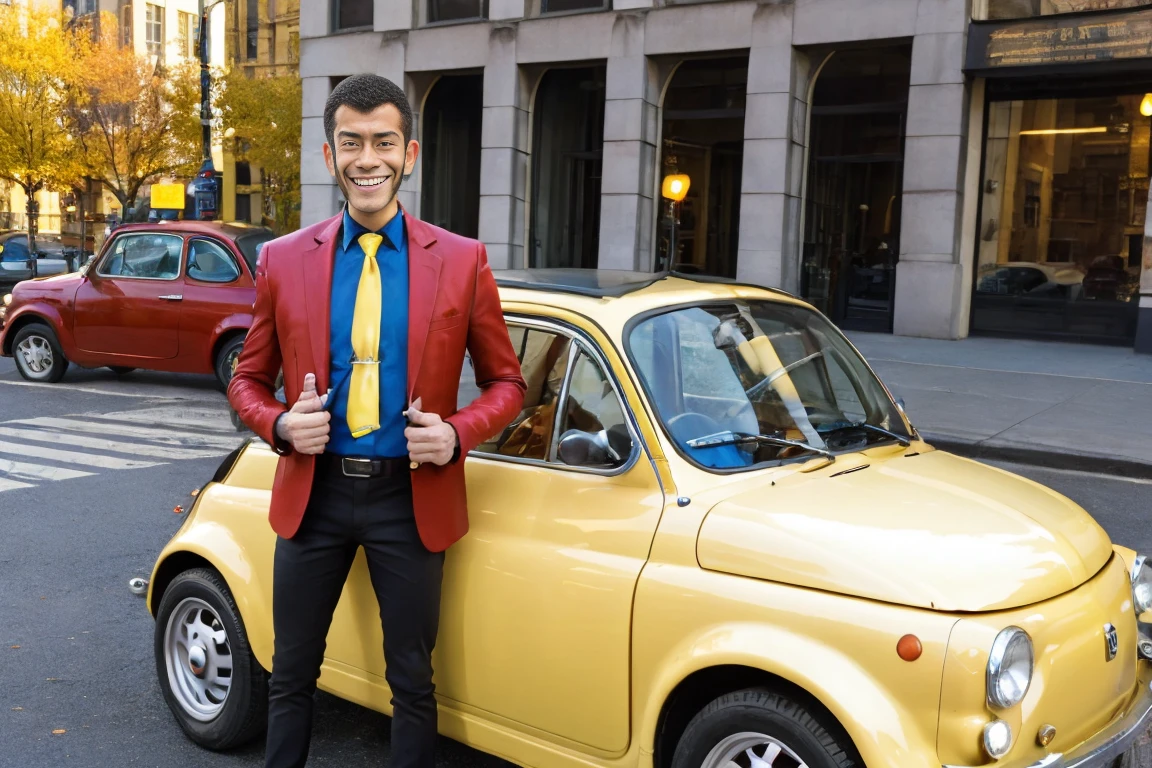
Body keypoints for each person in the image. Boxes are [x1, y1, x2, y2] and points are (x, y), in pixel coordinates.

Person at [227, 73, 527, 768]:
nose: (369, 158)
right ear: (330, 157)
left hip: (411, 498)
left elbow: (507, 383)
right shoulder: (281, 260)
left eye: (384, 142)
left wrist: (457, 433)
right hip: (314, 495)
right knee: (291, 675)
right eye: (352, 142)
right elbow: (246, 380)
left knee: (413, 684)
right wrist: (278, 426)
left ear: (409, 153)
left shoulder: (462, 260)